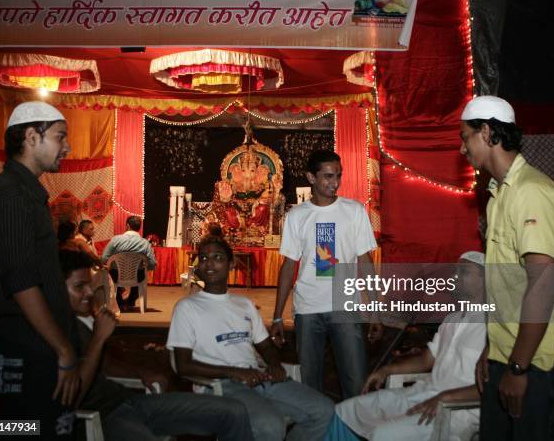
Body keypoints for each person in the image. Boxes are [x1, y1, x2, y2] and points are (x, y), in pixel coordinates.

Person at [459, 96, 554, 441]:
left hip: (540, 360)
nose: (461, 148)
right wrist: (492, 349)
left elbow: (543, 285)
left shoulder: (530, 191)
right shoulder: (500, 195)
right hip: (510, 353)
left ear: (486, 133)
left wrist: (518, 366)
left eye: (465, 136)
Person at [58, 249, 254, 441]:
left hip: (128, 401)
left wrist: (139, 373)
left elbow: (106, 365)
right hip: (102, 417)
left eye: (89, 285)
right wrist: (99, 338)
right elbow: (70, 399)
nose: (90, 291)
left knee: (233, 411)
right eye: (79, 286)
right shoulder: (50, 338)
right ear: (54, 287)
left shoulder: (81, 321)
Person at [0, 101, 79, 438]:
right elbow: (21, 283)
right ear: (32, 136)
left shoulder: (26, 194)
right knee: (24, 431)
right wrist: (63, 349)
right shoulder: (12, 197)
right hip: (27, 348)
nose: (68, 146)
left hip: (37, 345)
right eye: (60, 136)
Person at [167, 235, 335, 441]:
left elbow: (265, 346)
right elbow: (183, 365)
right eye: (203, 258)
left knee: (324, 411)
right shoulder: (187, 307)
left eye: (217, 257)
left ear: (230, 265)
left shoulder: (244, 304)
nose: (209, 263)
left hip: (260, 378)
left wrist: (274, 364)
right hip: (221, 386)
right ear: (198, 267)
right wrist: (234, 372)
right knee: (270, 425)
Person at [325, 251, 487, 441]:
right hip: (425, 393)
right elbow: (427, 359)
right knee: (346, 410)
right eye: (455, 271)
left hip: (458, 411)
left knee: (382, 434)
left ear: (485, 280)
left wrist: (445, 398)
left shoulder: (493, 327)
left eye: (464, 272)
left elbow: (490, 388)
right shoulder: (452, 318)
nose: (455, 277)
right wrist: (387, 370)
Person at [271, 150, 381, 398]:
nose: (335, 182)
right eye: (328, 176)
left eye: (338, 176)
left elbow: (365, 262)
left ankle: (352, 434)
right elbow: (288, 266)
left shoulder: (354, 211)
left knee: (355, 382)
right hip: (307, 310)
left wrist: (375, 310)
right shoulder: (297, 215)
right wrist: (277, 317)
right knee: (310, 386)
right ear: (311, 177)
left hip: (345, 307)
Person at [101, 215, 156, 311]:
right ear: (139, 227)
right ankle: (131, 300)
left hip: (116, 275)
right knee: (140, 272)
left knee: (111, 273)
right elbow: (152, 263)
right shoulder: (145, 243)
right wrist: (147, 266)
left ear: (127, 226)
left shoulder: (115, 240)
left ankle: (119, 300)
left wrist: (111, 264)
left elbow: (104, 258)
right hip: (137, 277)